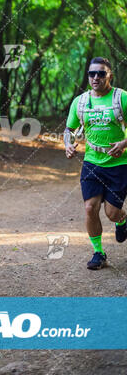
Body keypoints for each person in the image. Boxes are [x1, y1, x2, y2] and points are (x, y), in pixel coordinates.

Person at [64, 57, 127, 270]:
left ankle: (121, 220)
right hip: (92, 162)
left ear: (110, 75)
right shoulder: (80, 102)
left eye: (101, 73)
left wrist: (124, 143)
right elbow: (69, 130)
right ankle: (98, 253)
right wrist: (68, 145)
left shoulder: (121, 98)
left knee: (112, 213)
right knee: (90, 208)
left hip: (119, 164)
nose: (96, 77)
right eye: (92, 74)